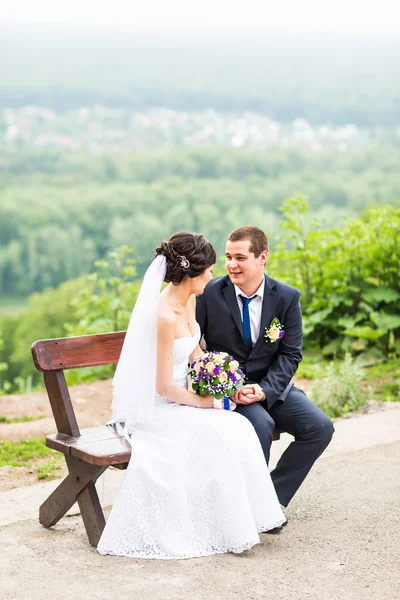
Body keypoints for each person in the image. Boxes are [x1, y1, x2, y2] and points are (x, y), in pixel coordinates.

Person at [97, 232, 286, 560]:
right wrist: (205, 403)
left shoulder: (190, 301)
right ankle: (220, 527)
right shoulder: (164, 316)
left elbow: (195, 352)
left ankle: (236, 523)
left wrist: (225, 382)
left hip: (185, 398)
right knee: (221, 430)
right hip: (161, 407)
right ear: (191, 273)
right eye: (210, 270)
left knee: (237, 428)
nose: (214, 276)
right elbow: (163, 387)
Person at [196, 226, 334, 509]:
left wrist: (264, 389)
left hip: (273, 387)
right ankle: (244, 508)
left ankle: (268, 499)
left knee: (320, 428)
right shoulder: (210, 293)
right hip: (231, 391)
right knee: (261, 425)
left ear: (262, 257)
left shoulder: (286, 297)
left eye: (240, 257)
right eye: (228, 257)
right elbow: (195, 345)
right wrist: (225, 387)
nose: (232, 265)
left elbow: (290, 354)